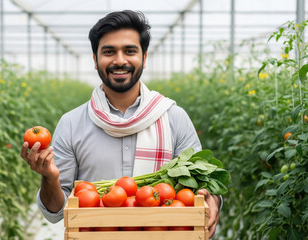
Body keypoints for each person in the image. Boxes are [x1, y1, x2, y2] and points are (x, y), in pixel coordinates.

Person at [20, 10, 221, 237]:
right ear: (95, 60)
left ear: (144, 58)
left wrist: (212, 199)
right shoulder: (71, 123)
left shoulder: (174, 117)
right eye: (108, 52)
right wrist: (50, 178)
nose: (119, 60)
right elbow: (56, 212)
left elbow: (200, 182)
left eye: (130, 51)